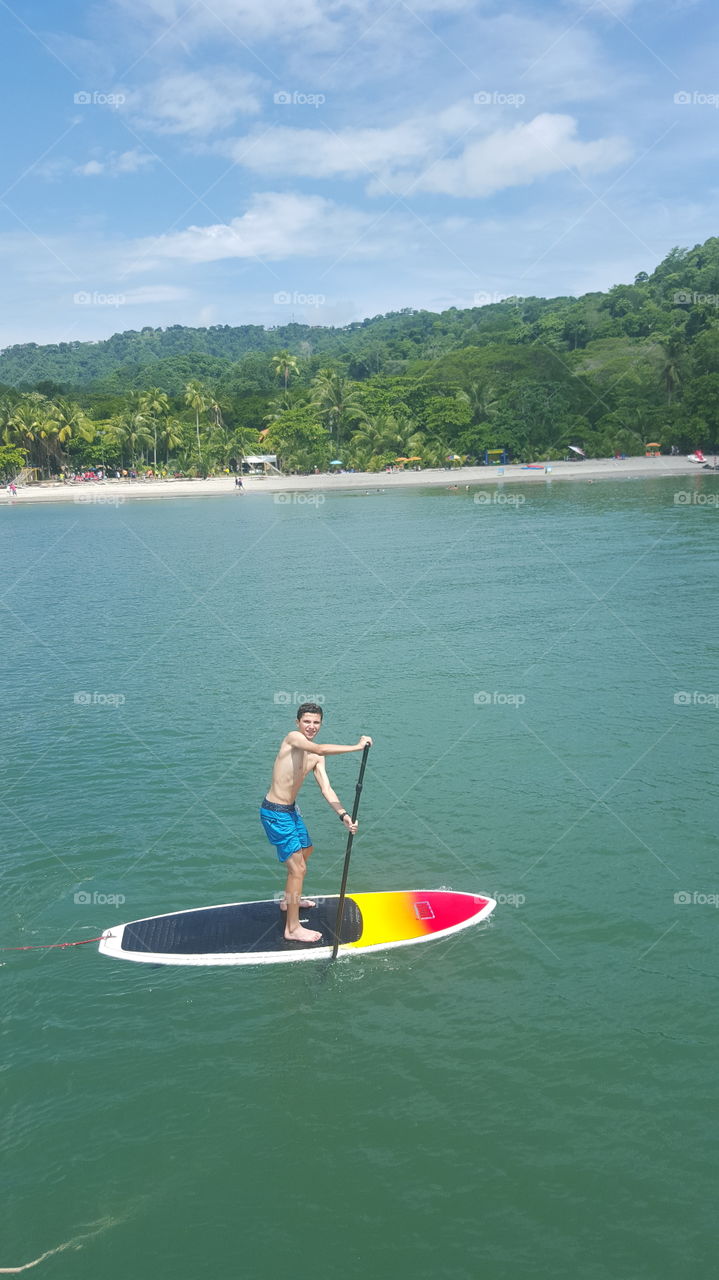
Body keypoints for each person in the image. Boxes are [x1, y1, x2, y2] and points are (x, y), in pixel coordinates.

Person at [260, 704, 372, 943]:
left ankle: (289, 898)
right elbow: (320, 747)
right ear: (297, 722)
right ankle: (292, 928)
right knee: (298, 869)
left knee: (307, 851)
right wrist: (357, 746)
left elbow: (326, 789)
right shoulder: (292, 738)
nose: (311, 726)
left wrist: (343, 815)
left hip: (291, 810)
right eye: (307, 721)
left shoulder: (317, 757)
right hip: (275, 813)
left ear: (321, 724)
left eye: (316, 722)